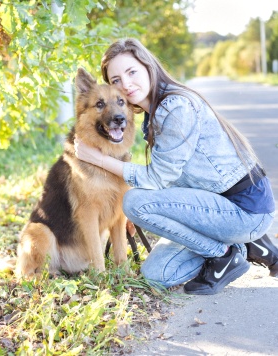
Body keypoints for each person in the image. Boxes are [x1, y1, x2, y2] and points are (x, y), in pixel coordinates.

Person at [74, 38, 277, 295]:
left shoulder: (174, 107)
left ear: (148, 67)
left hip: (243, 209)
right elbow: (175, 178)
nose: (125, 84)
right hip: (214, 209)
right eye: (116, 80)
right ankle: (249, 244)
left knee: (135, 202)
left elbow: (158, 179)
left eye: (131, 72)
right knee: (156, 274)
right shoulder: (153, 113)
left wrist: (101, 160)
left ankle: (225, 252)